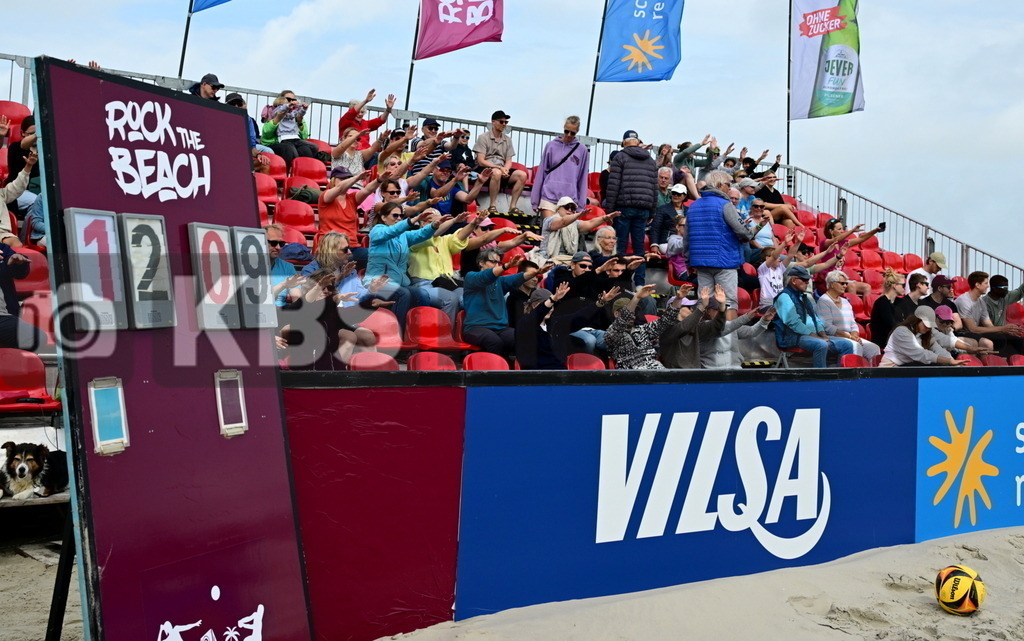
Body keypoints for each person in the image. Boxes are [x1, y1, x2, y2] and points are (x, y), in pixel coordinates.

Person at [686, 169, 760, 319]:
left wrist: (689, 261)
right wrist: (753, 229)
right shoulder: (726, 205)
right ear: (719, 185)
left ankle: (708, 339)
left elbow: (686, 238)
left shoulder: (693, 206)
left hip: (700, 262)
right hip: (724, 261)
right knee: (729, 302)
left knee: (705, 301)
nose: (730, 187)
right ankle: (728, 340)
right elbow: (744, 232)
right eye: (728, 184)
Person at [462, 251, 550, 355]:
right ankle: (500, 370)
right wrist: (507, 266)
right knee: (494, 341)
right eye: (493, 262)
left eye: (499, 262)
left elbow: (518, 278)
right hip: (475, 328)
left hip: (500, 329)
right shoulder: (471, 277)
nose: (497, 265)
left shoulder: (500, 281)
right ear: (481, 263)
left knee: (524, 337)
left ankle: (521, 369)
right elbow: (486, 276)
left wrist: (537, 272)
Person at [603, 129, 658, 284]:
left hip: (624, 207)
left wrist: (610, 211)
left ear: (623, 142)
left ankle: (617, 281)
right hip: (644, 209)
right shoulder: (651, 161)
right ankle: (640, 283)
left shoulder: (620, 157)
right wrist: (652, 211)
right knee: (639, 248)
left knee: (619, 246)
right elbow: (654, 189)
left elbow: (613, 186)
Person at [773, 264, 854, 367]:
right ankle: (821, 378)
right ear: (793, 280)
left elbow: (815, 318)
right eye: (804, 280)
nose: (808, 282)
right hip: (793, 337)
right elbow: (794, 323)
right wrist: (816, 337)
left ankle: (842, 378)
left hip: (811, 336)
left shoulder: (803, 297)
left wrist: (823, 335)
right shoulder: (784, 297)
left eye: (808, 280)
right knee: (821, 344)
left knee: (846, 344)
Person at [407, 209, 473, 323]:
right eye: (432, 222)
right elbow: (431, 233)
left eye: (440, 222)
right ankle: (444, 336)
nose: (437, 225)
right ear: (423, 223)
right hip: (424, 285)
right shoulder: (414, 238)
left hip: (447, 283)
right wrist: (454, 220)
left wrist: (474, 223)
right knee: (450, 299)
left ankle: (469, 334)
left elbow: (460, 237)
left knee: (469, 298)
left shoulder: (444, 240)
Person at [605, 284, 687, 370]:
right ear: (616, 314)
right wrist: (636, 298)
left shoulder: (643, 330)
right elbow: (623, 319)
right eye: (631, 311)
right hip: (631, 374)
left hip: (656, 369)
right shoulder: (612, 334)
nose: (633, 316)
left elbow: (666, 320)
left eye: (634, 312)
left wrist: (678, 299)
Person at [530, 116, 590, 217]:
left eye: (573, 133)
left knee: (564, 231)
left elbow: (583, 178)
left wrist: (581, 204)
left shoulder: (582, 150)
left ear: (577, 131)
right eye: (566, 131)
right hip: (549, 196)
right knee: (549, 228)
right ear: (563, 128)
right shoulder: (551, 145)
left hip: (569, 200)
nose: (569, 135)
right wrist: (535, 200)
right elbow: (542, 172)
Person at [815, 270, 882, 361]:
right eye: (842, 283)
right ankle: (854, 373)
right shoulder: (824, 301)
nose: (845, 286)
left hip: (849, 337)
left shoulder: (845, 302)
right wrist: (849, 337)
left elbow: (853, 323)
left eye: (846, 283)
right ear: (832, 284)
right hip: (832, 337)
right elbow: (827, 327)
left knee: (874, 348)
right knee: (856, 346)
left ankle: (871, 374)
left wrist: (855, 334)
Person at [955, 271, 1023, 356]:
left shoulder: (980, 302)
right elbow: (972, 329)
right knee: (997, 340)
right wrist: (1002, 329)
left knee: (1016, 340)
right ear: (977, 285)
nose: (988, 286)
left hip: (975, 333)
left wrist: (1007, 330)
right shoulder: (964, 301)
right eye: (986, 283)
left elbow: (989, 325)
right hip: (964, 333)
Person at [473, 110, 528, 215]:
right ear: (493, 122)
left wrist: (506, 169)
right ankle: (492, 205)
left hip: (501, 168)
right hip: (486, 168)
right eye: (501, 122)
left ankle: (513, 207)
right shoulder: (483, 137)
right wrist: (499, 168)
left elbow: (508, 160)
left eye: (505, 122)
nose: (504, 124)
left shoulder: (508, 139)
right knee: (496, 173)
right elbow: (481, 161)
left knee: (522, 175)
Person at [660, 285, 726, 369]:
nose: (691, 310)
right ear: (677, 310)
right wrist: (701, 307)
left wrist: (722, 306)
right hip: (676, 376)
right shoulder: (666, 328)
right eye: (688, 307)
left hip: (695, 374)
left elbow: (717, 326)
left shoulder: (694, 327)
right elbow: (682, 328)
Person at [879, 306, 968, 367]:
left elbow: (939, 347)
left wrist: (955, 364)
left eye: (930, 326)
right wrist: (949, 361)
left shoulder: (925, 332)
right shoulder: (902, 332)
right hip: (891, 369)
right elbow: (921, 354)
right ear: (917, 320)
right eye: (926, 325)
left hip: (909, 367)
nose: (928, 328)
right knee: (935, 366)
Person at [539, 197, 618, 264]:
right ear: (558, 209)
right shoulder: (550, 220)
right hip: (549, 259)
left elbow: (590, 223)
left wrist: (605, 218)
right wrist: (577, 215)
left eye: (573, 209)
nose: (570, 210)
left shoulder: (574, 224)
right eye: (567, 207)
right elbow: (563, 222)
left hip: (569, 260)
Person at [0, 244, 44, 350]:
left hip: (2, 316)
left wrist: (18, 263)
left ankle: (11, 364)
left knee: (35, 337)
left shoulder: (2, 249)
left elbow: (20, 274)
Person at [261, 90, 318, 168]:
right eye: (288, 99)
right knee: (289, 148)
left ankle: (306, 174)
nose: (292, 102)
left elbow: (304, 136)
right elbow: (266, 134)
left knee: (306, 149)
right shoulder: (274, 112)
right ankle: (290, 171)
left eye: (293, 100)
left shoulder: (295, 113)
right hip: (277, 143)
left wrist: (300, 120)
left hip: (295, 140)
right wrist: (278, 118)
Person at [868, 268, 907, 348]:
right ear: (894, 285)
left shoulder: (899, 302)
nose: (905, 288)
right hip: (884, 343)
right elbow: (891, 325)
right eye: (903, 285)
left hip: (896, 341)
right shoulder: (881, 303)